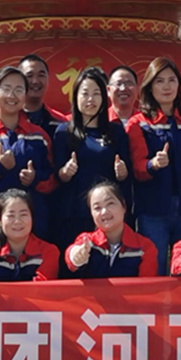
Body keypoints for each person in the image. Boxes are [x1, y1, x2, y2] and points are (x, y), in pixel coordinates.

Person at [0, 65, 54, 239]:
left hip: (31, 226)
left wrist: (35, 178)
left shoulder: (39, 136)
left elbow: (51, 180)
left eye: (19, 90)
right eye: (6, 89)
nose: (12, 95)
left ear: (25, 96)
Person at [129, 57, 181, 256]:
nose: (166, 86)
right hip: (152, 210)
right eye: (159, 81)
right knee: (155, 264)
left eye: (172, 80)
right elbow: (137, 168)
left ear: (179, 85)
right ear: (150, 86)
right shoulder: (139, 122)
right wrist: (152, 164)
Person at [52, 67, 135, 248]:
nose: (91, 99)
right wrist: (66, 171)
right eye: (85, 93)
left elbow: (126, 175)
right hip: (74, 214)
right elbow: (58, 176)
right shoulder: (64, 132)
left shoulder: (115, 131)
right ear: (75, 97)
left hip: (108, 214)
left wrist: (122, 172)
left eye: (96, 94)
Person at [63, 180, 159, 277]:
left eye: (110, 203)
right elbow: (71, 256)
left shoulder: (144, 247)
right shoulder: (87, 241)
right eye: (97, 208)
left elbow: (146, 283)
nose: (104, 212)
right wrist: (76, 256)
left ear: (123, 206)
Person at [0, 188, 60, 281]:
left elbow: (42, 287)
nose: (17, 221)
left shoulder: (48, 252)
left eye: (23, 214)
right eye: (11, 216)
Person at [19, 54, 68, 134]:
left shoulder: (61, 121)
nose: (35, 81)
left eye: (41, 75)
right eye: (29, 76)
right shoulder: (10, 121)